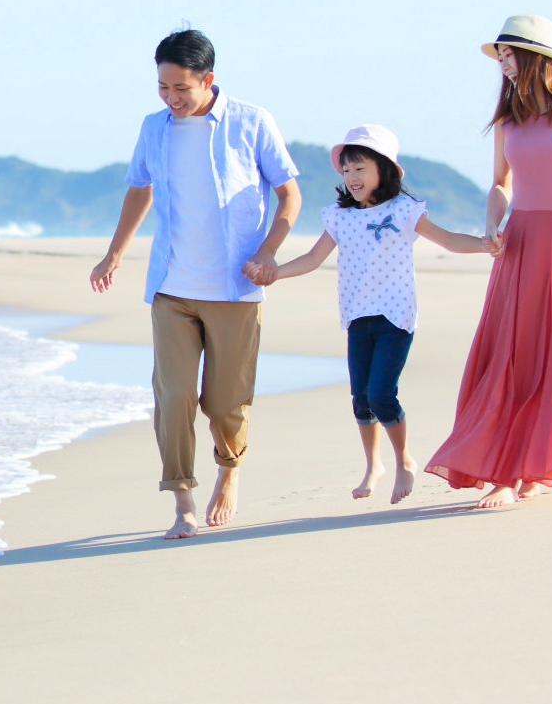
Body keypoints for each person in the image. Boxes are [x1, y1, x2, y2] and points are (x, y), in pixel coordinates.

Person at [90, 28, 301, 540]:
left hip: (234, 288)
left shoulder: (252, 122)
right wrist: (114, 252)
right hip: (173, 287)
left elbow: (289, 194)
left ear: (208, 80)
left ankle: (228, 473)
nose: (171, 99)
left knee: (226, 402)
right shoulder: (154, 128)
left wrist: (268, 251)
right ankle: (181, 499)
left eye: (181, 88)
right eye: (163, 88)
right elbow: (138, 190)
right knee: (174, 395)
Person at [425, 14, 552, 509]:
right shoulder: (508, 120)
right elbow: (501, 185)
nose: (503, 64)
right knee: (512, 354)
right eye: (501, 56)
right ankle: (504, 470)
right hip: (520, 242)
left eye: (509, 54)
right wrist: (492, 225)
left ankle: (536, 466)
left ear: (538, 56)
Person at [244, 125, 501, 505]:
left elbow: (447, 239)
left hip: (395, 317)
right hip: (356, 315)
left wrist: (484, 245)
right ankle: (372, 466)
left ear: (386, 170)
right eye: (346, 170)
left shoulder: (403, 210)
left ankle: (403, 461)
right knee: (360, 399)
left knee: (382, 395)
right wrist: (275, 273)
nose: (351, 178)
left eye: (360, 168)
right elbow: (314, 259)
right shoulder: (339, 217)